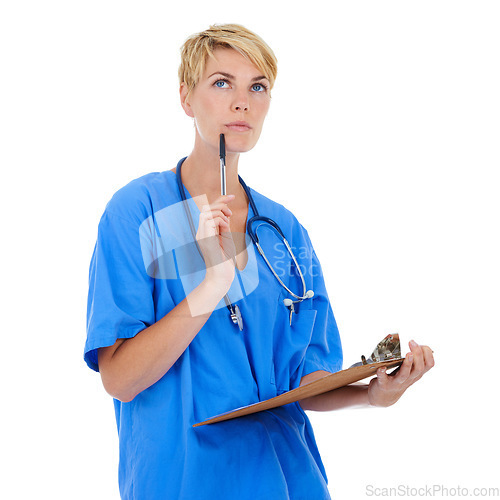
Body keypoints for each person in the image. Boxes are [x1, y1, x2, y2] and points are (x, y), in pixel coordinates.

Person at [84, 23, 434, 500]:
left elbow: (305, 377)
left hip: (289, 479)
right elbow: (120, 379)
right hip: (184, 482)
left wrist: (372, 393)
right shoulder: (136, 213)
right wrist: (212, 285)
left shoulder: (284, 231)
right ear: (186, 98)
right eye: (221, 83)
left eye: (258, 87)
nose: (242, 102)